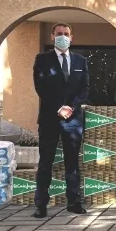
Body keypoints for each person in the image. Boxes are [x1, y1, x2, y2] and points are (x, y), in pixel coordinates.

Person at [32, 22, 89, 218]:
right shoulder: (42, 59)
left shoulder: (81, 61)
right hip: (50, 118)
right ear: (52, 36)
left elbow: (84, 89)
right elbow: (40, 87)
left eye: (66, 33)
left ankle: (74, 202)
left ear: (71, 37)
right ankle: (41, 205)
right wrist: (59, 107)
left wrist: (70, 107)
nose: (62, 36)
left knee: (72, 163)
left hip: (73, 120)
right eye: (59, 34)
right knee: (45, 162)